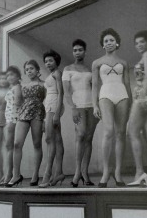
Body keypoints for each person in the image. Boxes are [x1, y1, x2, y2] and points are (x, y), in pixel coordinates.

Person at [92, 28, 132, 188]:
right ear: (103, 44)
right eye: (106, 41)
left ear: (117, 43)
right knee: (108, 131)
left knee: (121, 133)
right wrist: (94, 104)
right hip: (105, 95)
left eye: (111, 40)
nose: (109, 43)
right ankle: (106, 172)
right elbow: (95, 86)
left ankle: (118, 173)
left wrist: (131, 102)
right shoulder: (96, 63)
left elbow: (128, 84)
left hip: (122, 95)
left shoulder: (124, 63)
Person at [62, 39, 99, 187]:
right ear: (73, 52)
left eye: (80, 50)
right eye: (75, 50)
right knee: (81, 134)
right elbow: (66, 93)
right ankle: (77, 172)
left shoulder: (90, 69)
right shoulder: (67, 69)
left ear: (85, 51)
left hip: (91, 105)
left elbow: (95, 88)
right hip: (78, 105)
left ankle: (85, 173)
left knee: (89, 138)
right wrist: (73, 107)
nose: (77, 52)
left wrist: (97, 105)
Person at [127, 31, 147, 186]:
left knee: (132, 132)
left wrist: (142, 98)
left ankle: (140, 172)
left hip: (144, 95)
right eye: (136, 43)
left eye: (142, 42)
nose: (139, 45)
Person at [6, 60, 46, 187]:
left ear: (37, 70)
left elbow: (47, 101)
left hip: (38, 113)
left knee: (37, 144)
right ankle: (16, 175)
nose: (29, 71)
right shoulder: (23, 86)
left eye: (32, 68)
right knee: (17, 143)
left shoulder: (44, 84)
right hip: (23, 113)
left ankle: (35, 175)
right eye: (27, 69)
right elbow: (19, 101)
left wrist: (44, 119)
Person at [39, 50, 65, 188]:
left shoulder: (57, 73)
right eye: (46, 61)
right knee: (57, 139)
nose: (48, 63)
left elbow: (61, 93)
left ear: (56, 61)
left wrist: (56, 113)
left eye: (50, 60)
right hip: (48, 104)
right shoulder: (50, 75)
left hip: (54, 104)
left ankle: (48, 173)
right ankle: (59, 172)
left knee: (49, 138)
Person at [0, 66, 22, 187]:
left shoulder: (17, 87)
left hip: (14, 118)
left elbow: (18, 103)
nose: (9, 77)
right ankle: (8, 173)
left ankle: (10, 174)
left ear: (18, 76)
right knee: (8, 146)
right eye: (7, 76)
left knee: (10, 146)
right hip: (9, 118)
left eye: (12, 75)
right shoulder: (11, 88)